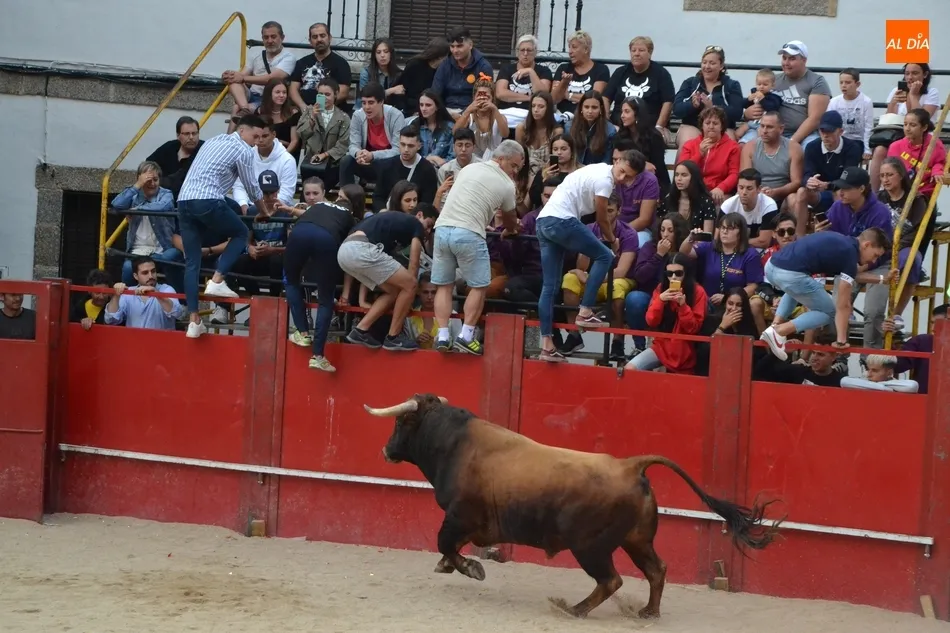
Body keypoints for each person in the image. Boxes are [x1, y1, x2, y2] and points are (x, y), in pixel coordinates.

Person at [535, 152, 641, 362]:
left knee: (549, 286)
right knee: (605, 256)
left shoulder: (596, 169)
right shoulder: (605, 180)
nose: (622, 178)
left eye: (628, 177)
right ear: (617, 161)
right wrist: (612, 240)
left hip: (543, 222)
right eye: (622, 172)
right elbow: (601, 218)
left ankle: (547, 346)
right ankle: (585, 311)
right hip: (562, 220)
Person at [176, 114, 267, 339]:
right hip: (207, 199)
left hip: (184, 200)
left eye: (261, 137)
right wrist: (264, 211)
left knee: (192, 261)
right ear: (242, 131)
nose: (257, 142)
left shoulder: (215, 139)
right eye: (255, 136)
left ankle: (194, 321)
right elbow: (252, 186)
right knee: (241, 233)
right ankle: (217, 279)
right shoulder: (243, 150)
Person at [431, 140, 523, 355]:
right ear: (501, 159)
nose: (515, 171)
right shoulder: (507, 185)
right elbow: (509, 218)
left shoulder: (469, 168)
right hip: (469, 232)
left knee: (444, 286)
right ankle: (466, 335)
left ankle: (442, 336)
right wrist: (511, 229)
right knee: (480, 286)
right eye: (514, 165)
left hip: (442, 229)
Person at [759, 227, 891, 361]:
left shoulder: (845, 244)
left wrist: (882, 279)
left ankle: (774, 327)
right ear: (866, 245)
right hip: (790, 275)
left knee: (795, 290)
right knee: (829, 313)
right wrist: (841, 341)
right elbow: (843, 305)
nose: (874, 261)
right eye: (875, 255)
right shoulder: (850, 255)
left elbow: (853, 274)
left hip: (771, 267)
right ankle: (779, 331)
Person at [337, 207, 439, 351]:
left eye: (431, 229)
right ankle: (393, 337)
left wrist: (362, 300)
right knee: (411, 284)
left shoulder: (390, 225)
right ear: (419, 214)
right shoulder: (416, 224)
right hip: (362, 249)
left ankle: (360, 330)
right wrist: (409, 296)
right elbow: (414, 265)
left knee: (393, 290)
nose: (427, 231)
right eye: (429, 225)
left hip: (344, 253)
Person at [285, 198, 358, 373]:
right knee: (325, 300)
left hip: (299, 232)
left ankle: (302, 333)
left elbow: (302, 214)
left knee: (291, 281)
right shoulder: (349, 217)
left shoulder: (319, 205)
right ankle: (317, 355)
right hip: (327, 238)